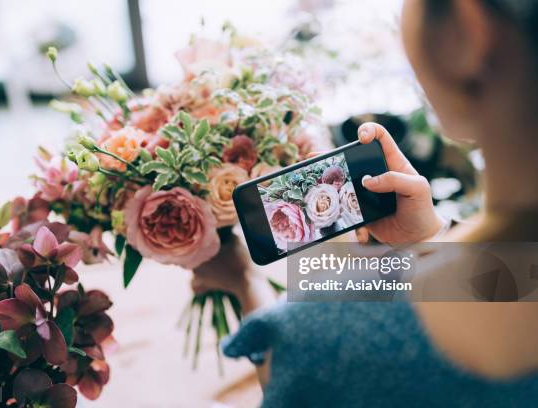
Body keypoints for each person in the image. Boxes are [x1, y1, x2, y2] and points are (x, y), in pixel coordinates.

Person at [192, 0, 538, 406]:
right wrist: (431, 239)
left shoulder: (325, 326)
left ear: (467, 30)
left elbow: (304, 377)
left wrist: (244, 284)